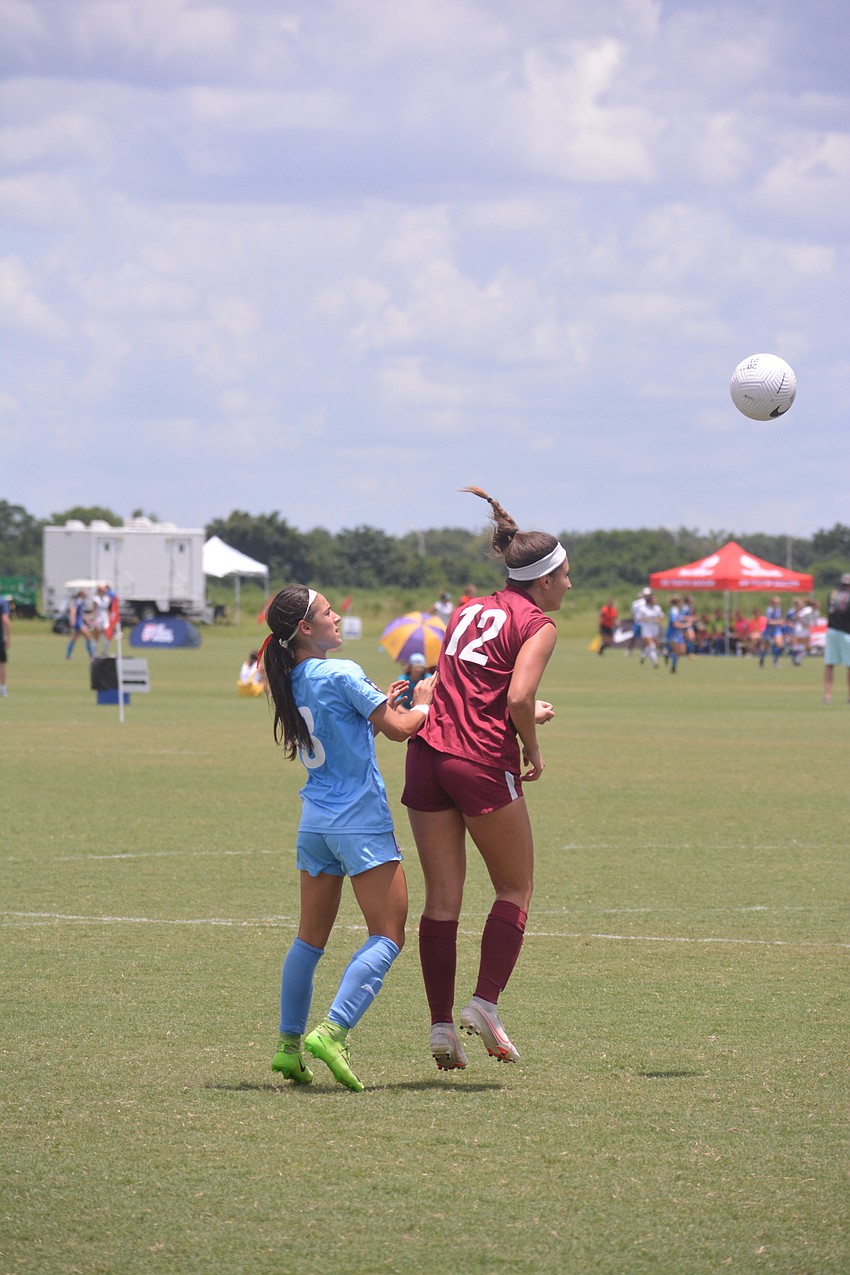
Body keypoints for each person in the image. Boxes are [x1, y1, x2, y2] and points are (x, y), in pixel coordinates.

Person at [402, 486, 566, 1072]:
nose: (569, 584)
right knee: (514, 889)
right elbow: (518, 694)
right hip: (477, 760)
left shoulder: (468, 606)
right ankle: (485, 1003)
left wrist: (519, 709)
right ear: (543, 580)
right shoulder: (539, 622)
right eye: (565, 575)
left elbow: (477, 686)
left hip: (426, 756)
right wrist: (532, 742)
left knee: (442, 899)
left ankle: (441, 1027)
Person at [260, 584, 434, 1091]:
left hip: (315, 823)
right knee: (388, 933)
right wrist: (419, 703)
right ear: (306, 630)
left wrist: (380, 707)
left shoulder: (288, 677)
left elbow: (350, 730)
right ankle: (333, 1032)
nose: (337, 616)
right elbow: (402, 729)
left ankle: (288, 1047)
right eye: (328, 611)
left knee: (308, 940)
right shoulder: (342, 671)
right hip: (358, 821)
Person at [823, 573, 850, 705]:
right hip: (846, 632)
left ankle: (827, 696)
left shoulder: (832, 594)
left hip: (831, 631)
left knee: (829, 664)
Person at [65, 590, 95, 660]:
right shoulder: (79, 601)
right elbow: (73, 610)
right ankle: (91, 656)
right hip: (78, 623)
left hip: (79, 621)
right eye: (86, 592)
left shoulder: (81, 601)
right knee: (88, 637)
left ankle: (68, 655)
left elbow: (82, 614)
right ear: (82, 594)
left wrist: (88, 621)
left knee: (73, 639)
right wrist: (72, 619)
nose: (87, 593)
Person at [638, 591, 664, 667]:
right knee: (652, 646)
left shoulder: (657, 608)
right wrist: (648, 619)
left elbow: (661, 617)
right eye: (654, 600)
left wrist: (658, 620)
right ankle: (655, 663)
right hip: (646, 629)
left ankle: (643, 655)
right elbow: (639, 618)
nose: (655, 601)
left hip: (655, 629)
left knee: (650, 645)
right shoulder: (643, 608)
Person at [760, 595, 785, 668]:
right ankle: (762, 661)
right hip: (769, 630)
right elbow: (768, 621)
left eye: (778, 602)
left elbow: (780, 618)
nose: (776, 604)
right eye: (775, 602)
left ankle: (775, 662)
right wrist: (778, 622)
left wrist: (781, 621)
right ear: (771, 603)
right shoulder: (769, 610)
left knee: (780, 645)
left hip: (776, 629)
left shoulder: (779, 609)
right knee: (766, 647)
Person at [627, 587, 650, 656]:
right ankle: (629, 650)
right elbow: (633, 613)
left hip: (645, 623)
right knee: (634, 636)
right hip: (638, 622)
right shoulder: (638, 603)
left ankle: (642, 650)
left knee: (644, 637)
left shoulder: (648, 603)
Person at [0, 595, 10, 698]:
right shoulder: (2, 601)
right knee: (1, 664)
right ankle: (3, 690)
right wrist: (8, 637)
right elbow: (5, 620)